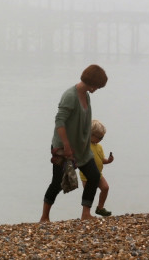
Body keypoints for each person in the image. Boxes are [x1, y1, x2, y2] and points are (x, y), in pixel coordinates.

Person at [40, 64, 108, 222]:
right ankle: (44, 217)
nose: (97, 89)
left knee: (93, 176)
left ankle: (86, 214)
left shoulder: (87, 96)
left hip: (82, 148)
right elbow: (59, 121)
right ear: (92, 81)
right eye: (97, 85)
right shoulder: (70, 95)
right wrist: (66, 146)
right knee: (56, 184)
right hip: (63, 148)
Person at [79, 119, 115, 217]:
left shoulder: (99, 147)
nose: (101, 139)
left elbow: (102, 160)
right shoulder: (85, 145)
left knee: (105, 188)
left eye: (102, 137)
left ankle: (100, 207)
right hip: (86, 175)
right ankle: (86, 213)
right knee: (90, 192)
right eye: (99, 137)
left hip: (98, 173)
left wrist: (109, 160)